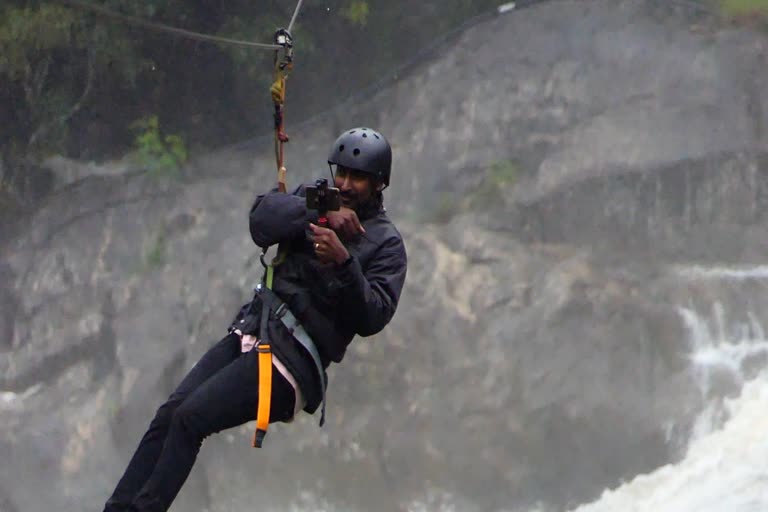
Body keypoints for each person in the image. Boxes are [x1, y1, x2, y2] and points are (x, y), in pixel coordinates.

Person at [103, 127, 408, 512]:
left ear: (379, 182)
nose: (345, 184)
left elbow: (373, 316)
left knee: (189, 419)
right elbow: (262, 219)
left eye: (357, 177)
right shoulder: (318, 198)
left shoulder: (386, 243)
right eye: (341, 173)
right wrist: (319, 210)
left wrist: (344, 263)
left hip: (292, 364)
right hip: (255, 329)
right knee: (169, 414)